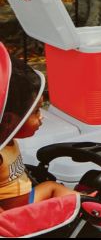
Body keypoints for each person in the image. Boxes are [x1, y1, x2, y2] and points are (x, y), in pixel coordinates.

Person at [0, 56, 75, 210]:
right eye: (35, 111)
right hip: (19, 215)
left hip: (23, 202)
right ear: (8, 120)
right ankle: (93, 207)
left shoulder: (7, 139)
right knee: (52, 188)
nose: (42, 116)